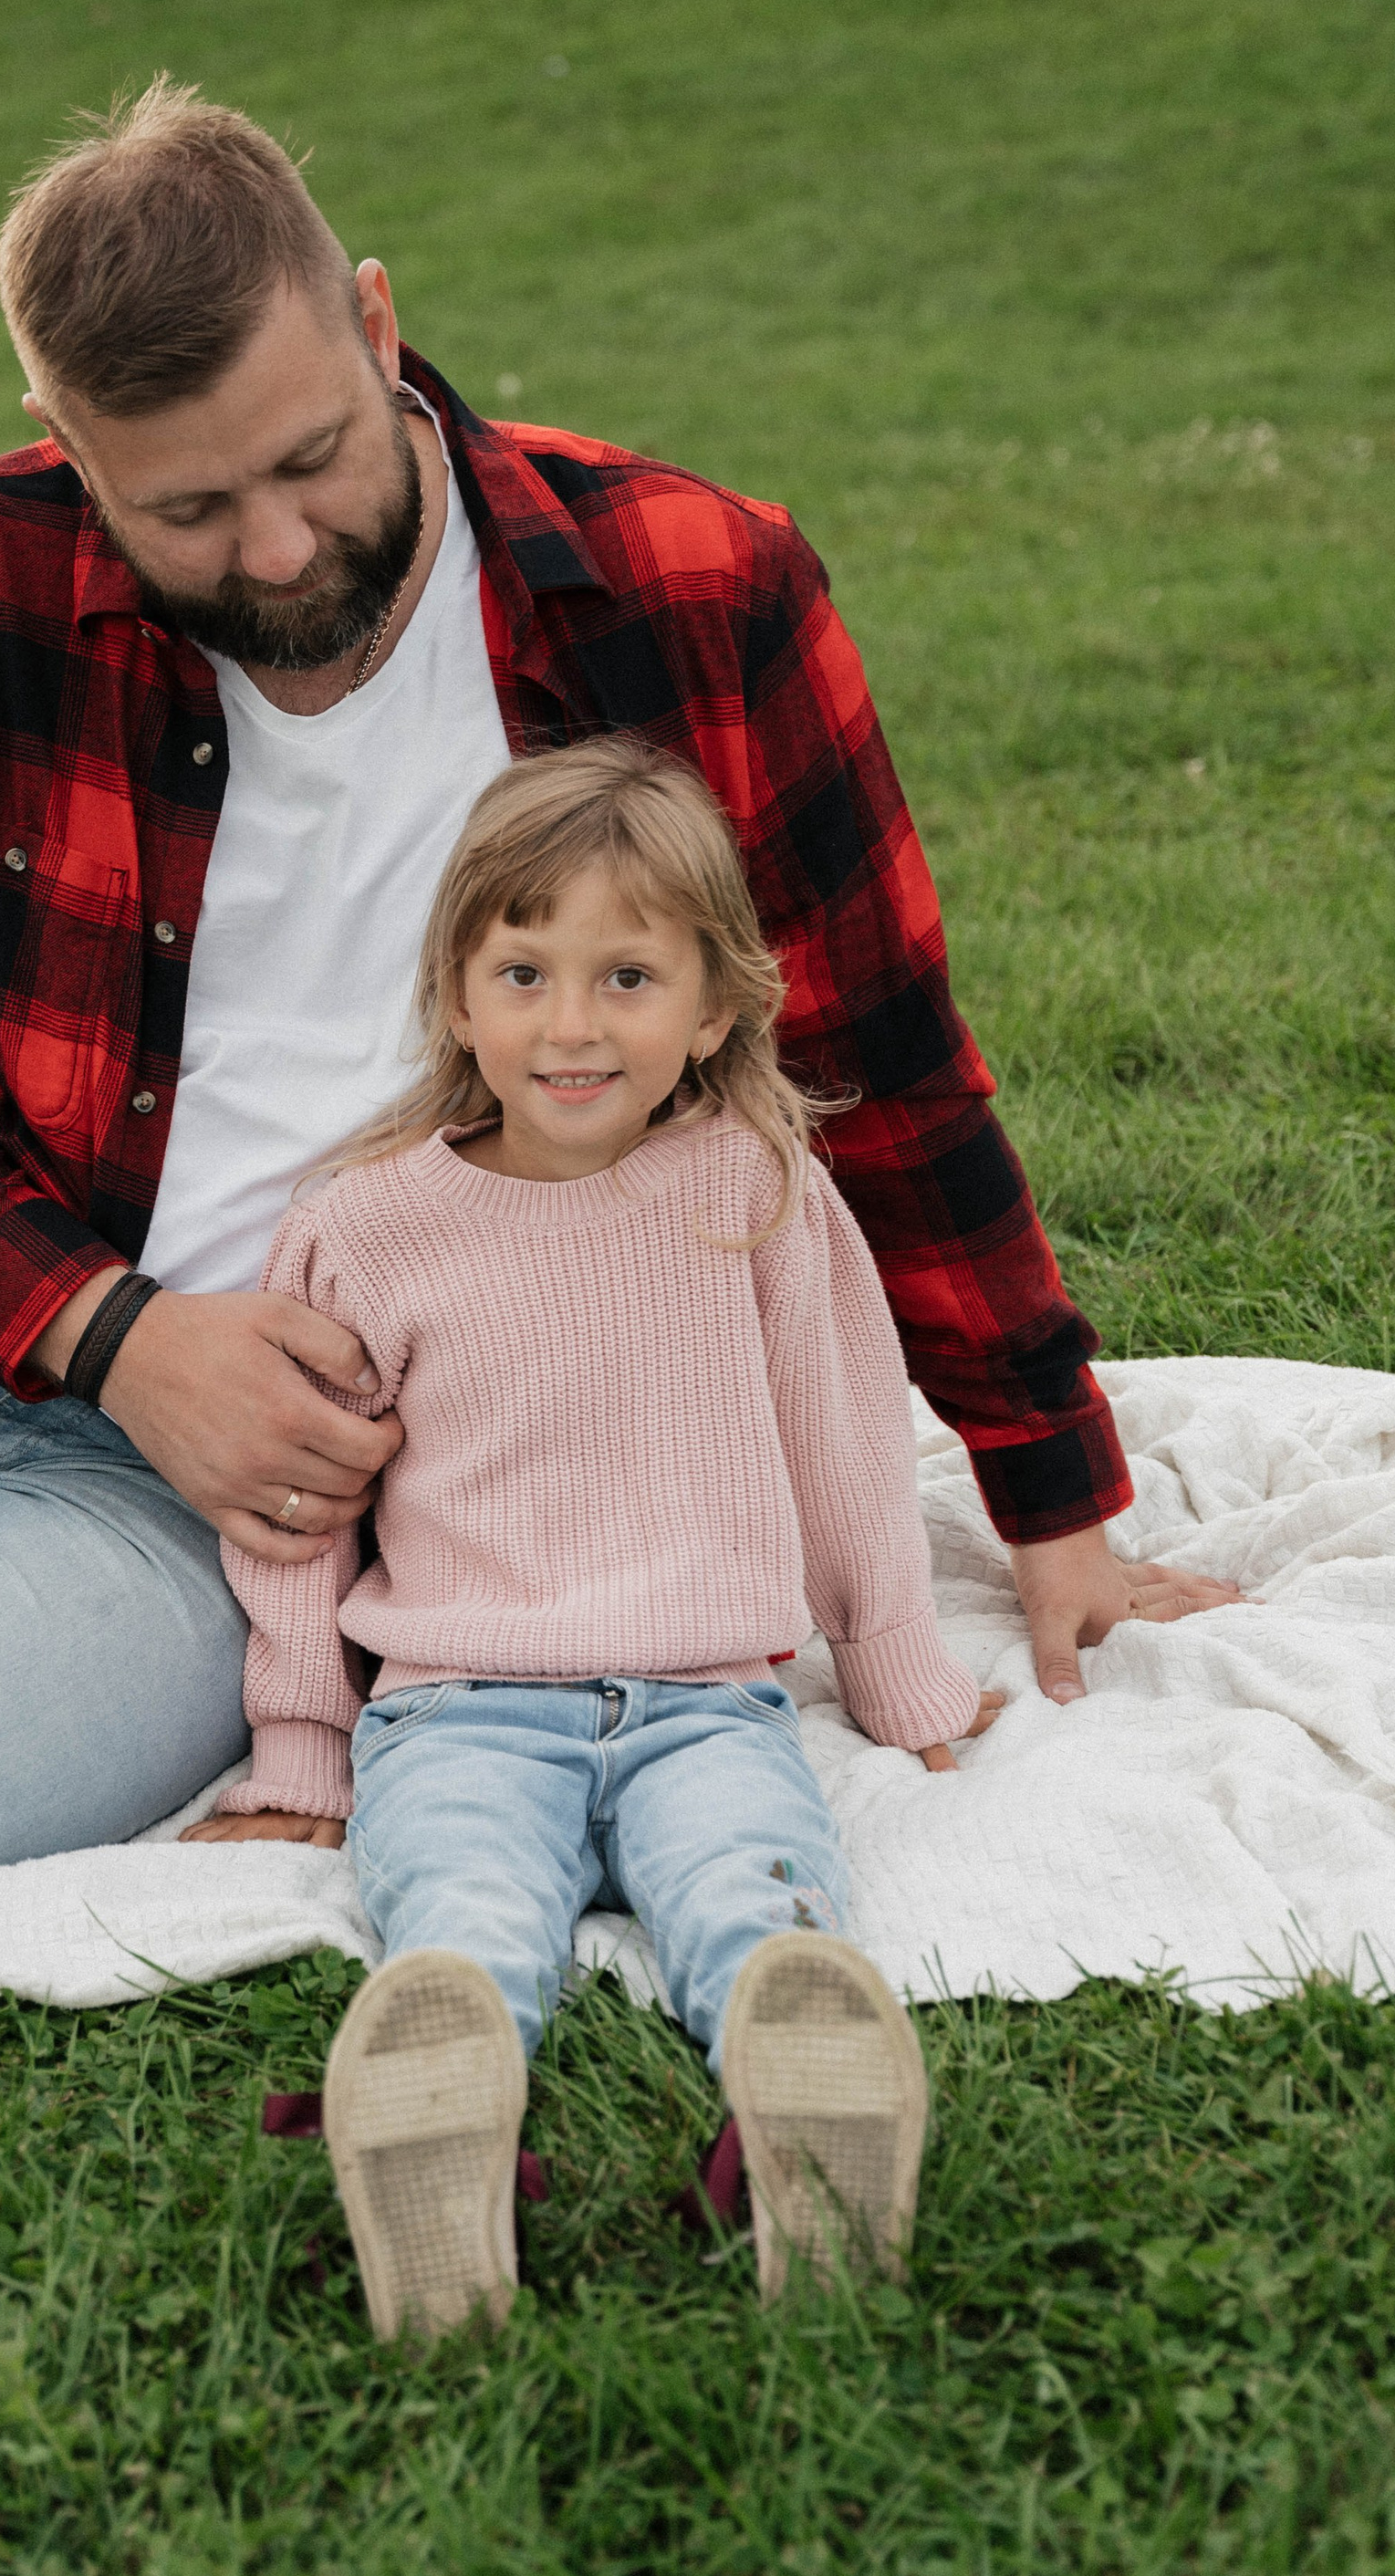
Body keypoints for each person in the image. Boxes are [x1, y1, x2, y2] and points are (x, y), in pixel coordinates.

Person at [0, 80, 1231, 1921]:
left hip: (264, 1501)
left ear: (373, 319)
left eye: (311, 462)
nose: (274, 549)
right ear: (65, 451)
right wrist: (105, 1326)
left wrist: (1049, 1489)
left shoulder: (690, 590)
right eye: (184, 511)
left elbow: (879, 1066)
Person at [189, 739, 994, 2335]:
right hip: (457, 1707)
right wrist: (301, 1748)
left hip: (710, 1696)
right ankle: (444, 2103)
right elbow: (300, 1513)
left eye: (628, 974)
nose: (571, 1022)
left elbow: (844, 1436)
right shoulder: (365, 1225)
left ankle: (797, 2076)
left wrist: (904, 1678)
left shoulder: (754, 1187)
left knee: (755, 1899)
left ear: (711, 1009)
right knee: (464, 1917)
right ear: (458, 994)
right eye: (526, 969)